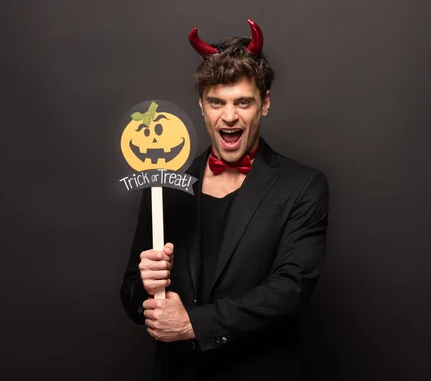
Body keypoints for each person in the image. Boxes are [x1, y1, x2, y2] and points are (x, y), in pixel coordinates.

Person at [120, 19, 330, 381]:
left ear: (264, 104)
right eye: (216, 102)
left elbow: (289, 290)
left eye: (243, 102)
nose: (229, 116)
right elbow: (131, 294)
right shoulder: (164, 185)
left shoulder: (303, 186)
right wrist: (148, 287)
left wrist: (193, 325)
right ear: (201, 106)